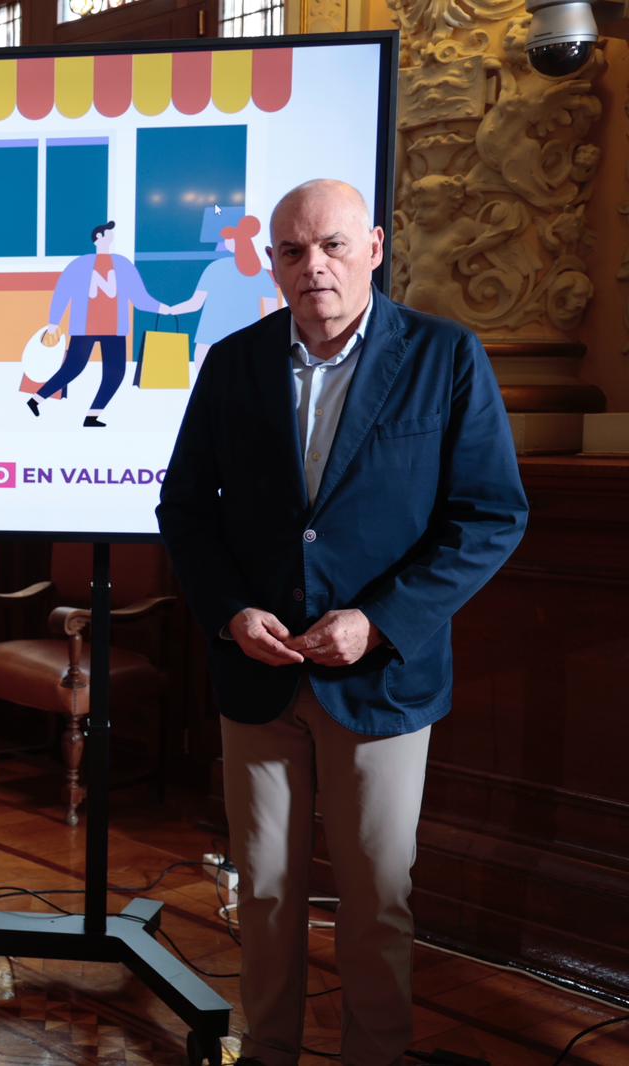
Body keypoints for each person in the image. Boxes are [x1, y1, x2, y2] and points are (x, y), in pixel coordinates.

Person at [155, 179, 528, 1066]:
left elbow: (491, 516)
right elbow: (186, 510)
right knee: (266, 890)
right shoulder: (233, 363)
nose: (312, 266)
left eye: (331, 245)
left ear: (375, 247)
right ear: (272, 263)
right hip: (258, 673)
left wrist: (380, 622)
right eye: (292, 251)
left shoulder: (446, 356)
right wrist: (229, 613)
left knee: (376, 900)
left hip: (383, 677)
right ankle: (270, 1052)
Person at [27, 220, 163, 427]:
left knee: (115, 373)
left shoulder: (122, 264)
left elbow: (140, 298)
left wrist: (164, 309)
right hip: (85, 327)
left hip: (114, 328)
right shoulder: (81, 264)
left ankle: (92, 416)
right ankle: (36, 399)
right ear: (98, 238)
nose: (112, 236)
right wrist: (53, 323)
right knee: (74, 368)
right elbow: (63, 293)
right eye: (108, 232)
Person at [163, 213, 281, 363]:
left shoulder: (215, 268)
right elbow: (272, 316)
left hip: (208, 341)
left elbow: (195, 304)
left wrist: (170, 310)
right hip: (247, 343)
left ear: (231, 242)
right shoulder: (262, 275)